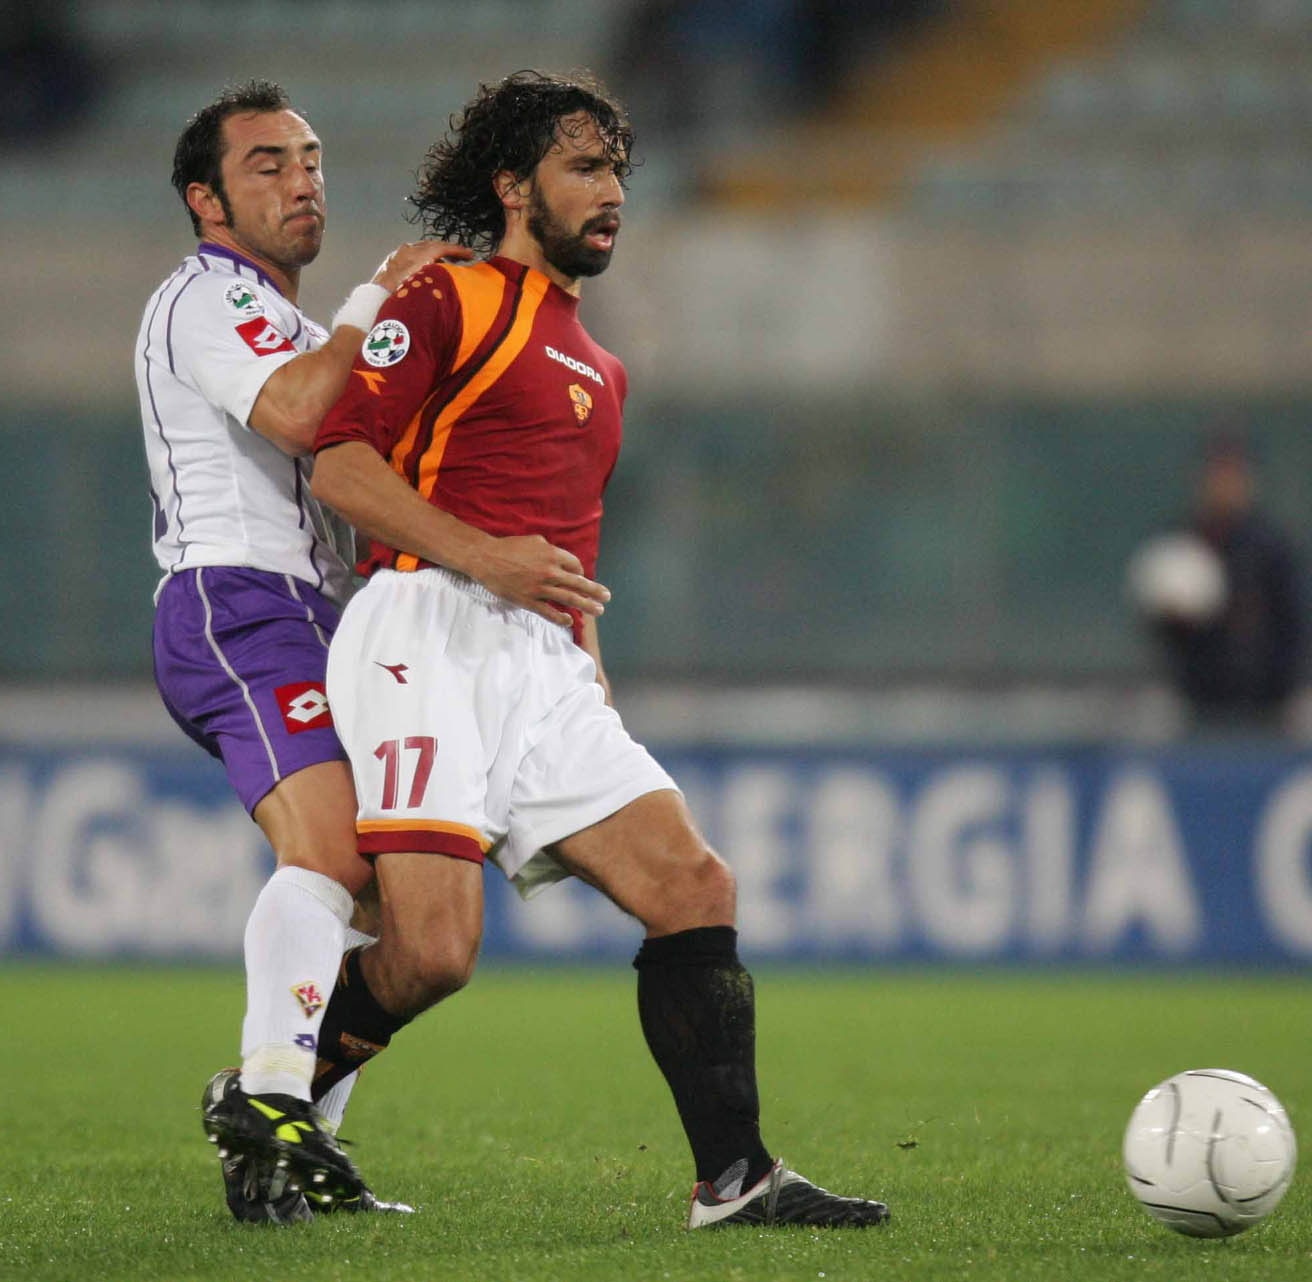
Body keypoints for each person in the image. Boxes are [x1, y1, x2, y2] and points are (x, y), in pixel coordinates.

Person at [306, 70, 890, 1229]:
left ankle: (737, 1178)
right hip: (424, 626)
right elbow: (341, 469)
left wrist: (581, 655)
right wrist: (488, 560)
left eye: (618, 167)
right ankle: (274, 1092)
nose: (613, 189)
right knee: (429, 953)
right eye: (585, 167)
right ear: (514, 186)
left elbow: (560, 548)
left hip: (543, 659)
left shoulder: (601, 366)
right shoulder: (449, 298)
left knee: (692, 884)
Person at [136, 79, 469, 1224]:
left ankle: (297, 1151)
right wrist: (384, 296)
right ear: (206, 199)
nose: (302, 178)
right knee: (330, 851)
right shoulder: (203, 297)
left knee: (387, 893)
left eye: (313, 158)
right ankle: (272, 1097)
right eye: (268, 162)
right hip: (235, 601)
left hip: (318, 612)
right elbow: (295, 412)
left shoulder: (277, 310)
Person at [1138, 436, 1309, 731]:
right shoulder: (1184, 543)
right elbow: (1162, 633)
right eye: (1217, 475)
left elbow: (1294, 625)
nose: (1224, 486)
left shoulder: (1270, 548)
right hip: (1199, 705)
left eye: (1232, 475)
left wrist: (1281, 688)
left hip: (1265, 708)